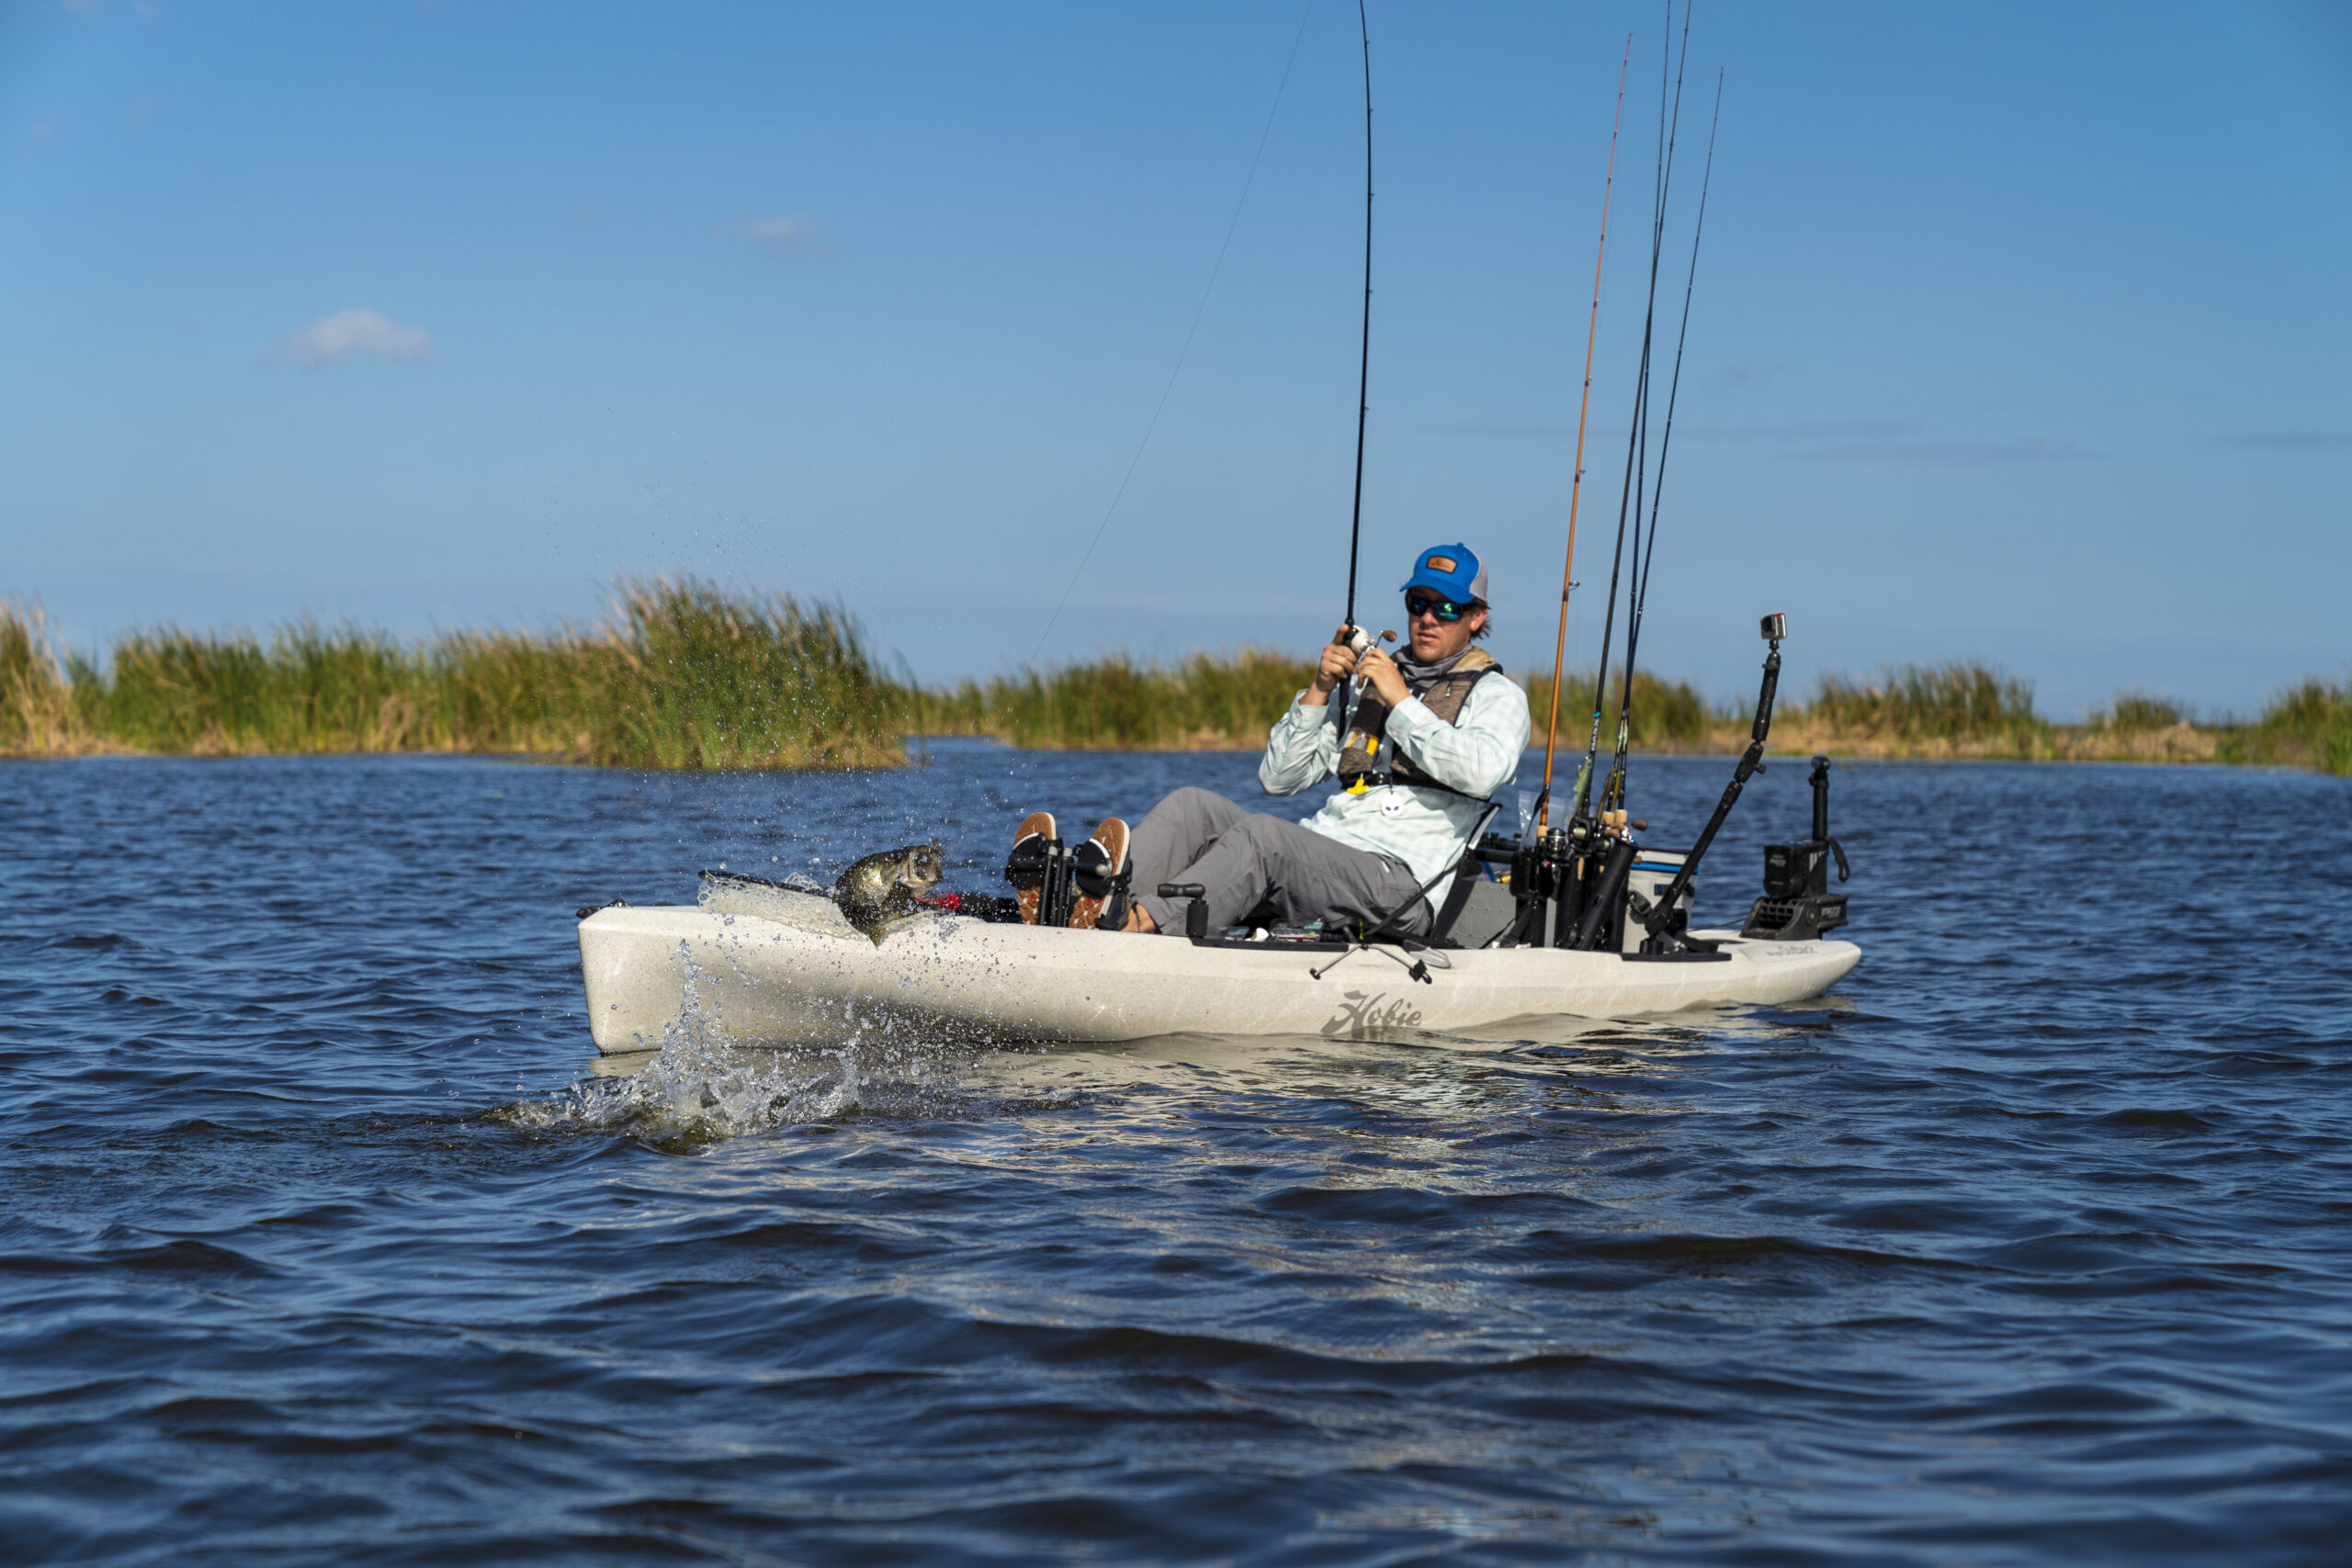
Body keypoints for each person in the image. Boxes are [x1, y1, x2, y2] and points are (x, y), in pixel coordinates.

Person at [1006, 543, 1530, 940]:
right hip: (1326, 852)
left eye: (1447, 608)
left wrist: (1402, 702)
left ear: (1476, 617)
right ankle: (1083, 904)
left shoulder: (1497, 696)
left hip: (1402, 883)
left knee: (1265, 838)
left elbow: (1482, 772)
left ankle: (1133, 926)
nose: (1428, 618)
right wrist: (1319, 690)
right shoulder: (1373, 685)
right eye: (1419, 603)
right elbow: (1279, 779)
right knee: (1193, 806)